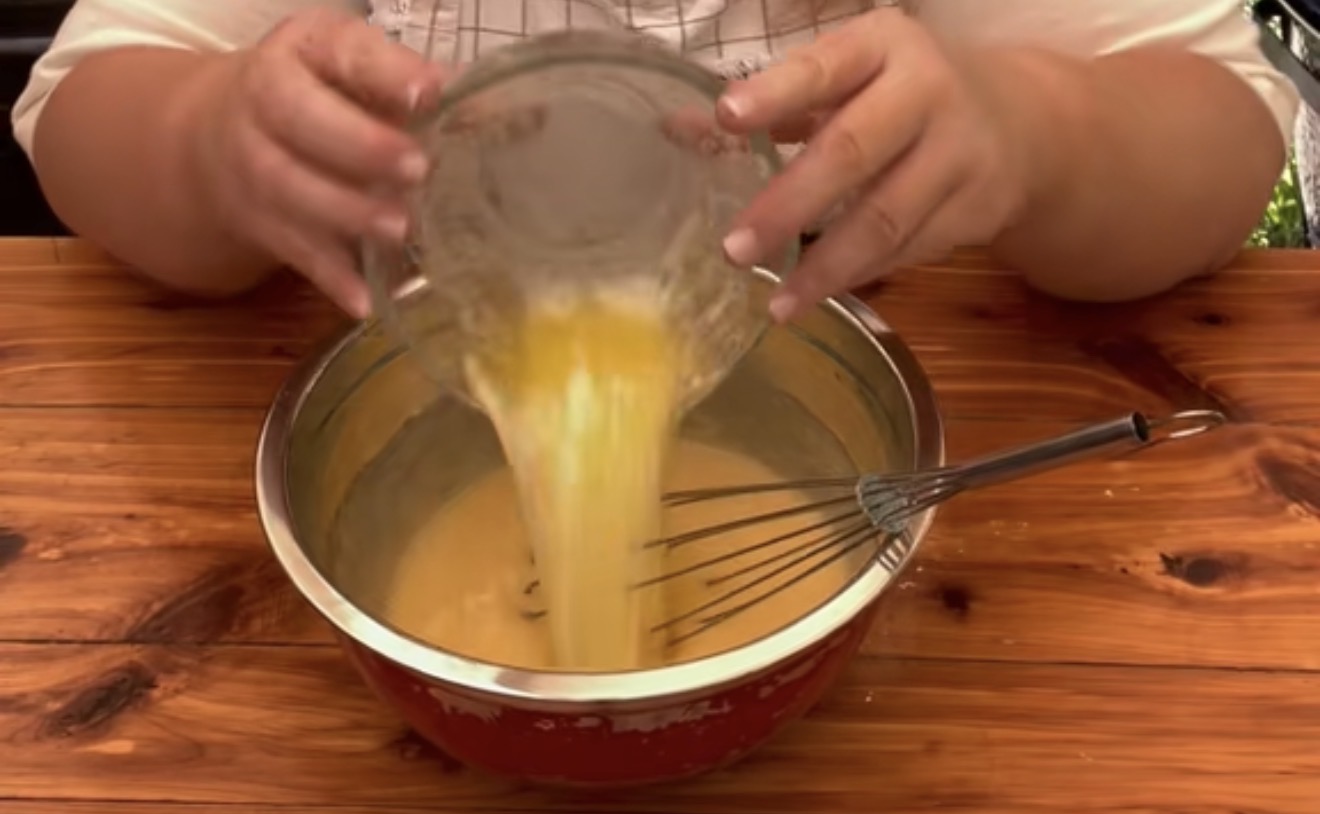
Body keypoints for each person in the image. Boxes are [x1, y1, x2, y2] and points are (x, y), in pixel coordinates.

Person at [11, 0, 1300, 321]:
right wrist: (201, 146)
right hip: (427, 334)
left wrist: (1040, 133)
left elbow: (1221, 134)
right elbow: (88, 104)